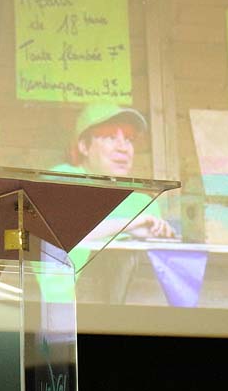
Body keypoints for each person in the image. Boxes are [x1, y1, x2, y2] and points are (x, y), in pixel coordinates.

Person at [39, 103, 175, 303]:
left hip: (128, 312)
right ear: (84, 146)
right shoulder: (62, 179)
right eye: (110, 137)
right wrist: (129, 226)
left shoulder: (142, 203)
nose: (123, 148)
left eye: (129, 139)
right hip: (59, 310)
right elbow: (61, 234)